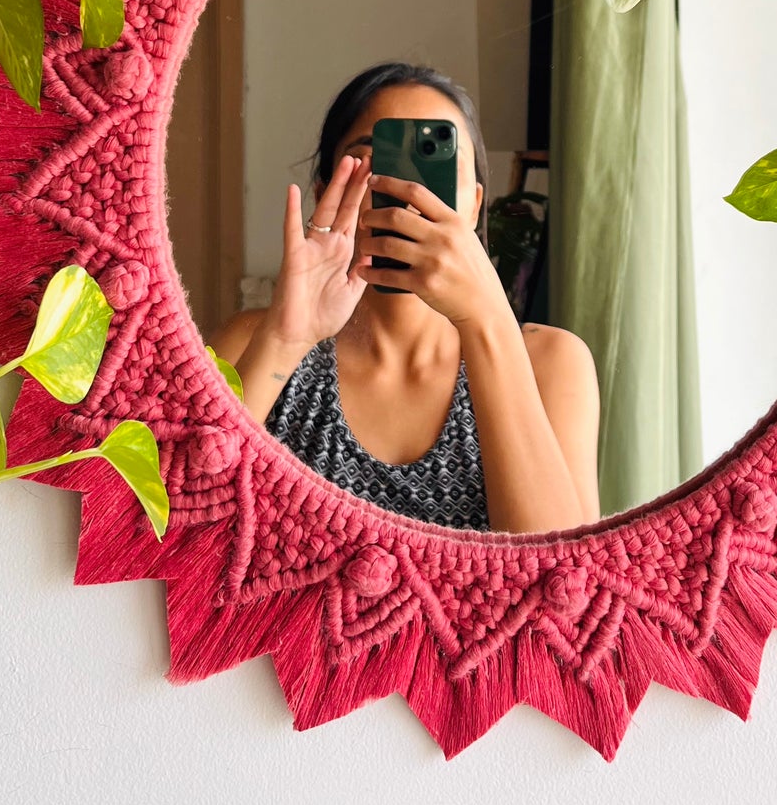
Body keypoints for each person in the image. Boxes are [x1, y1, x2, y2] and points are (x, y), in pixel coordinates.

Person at [210, 63, 600, 534]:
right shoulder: (252, 340)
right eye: (375, 162)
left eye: (434, 166)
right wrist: (286, 338)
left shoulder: (550, 362)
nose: (408, 193)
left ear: (474, 205)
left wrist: (486, 320)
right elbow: (184, 527)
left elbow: (558, 574)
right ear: (325, 192)